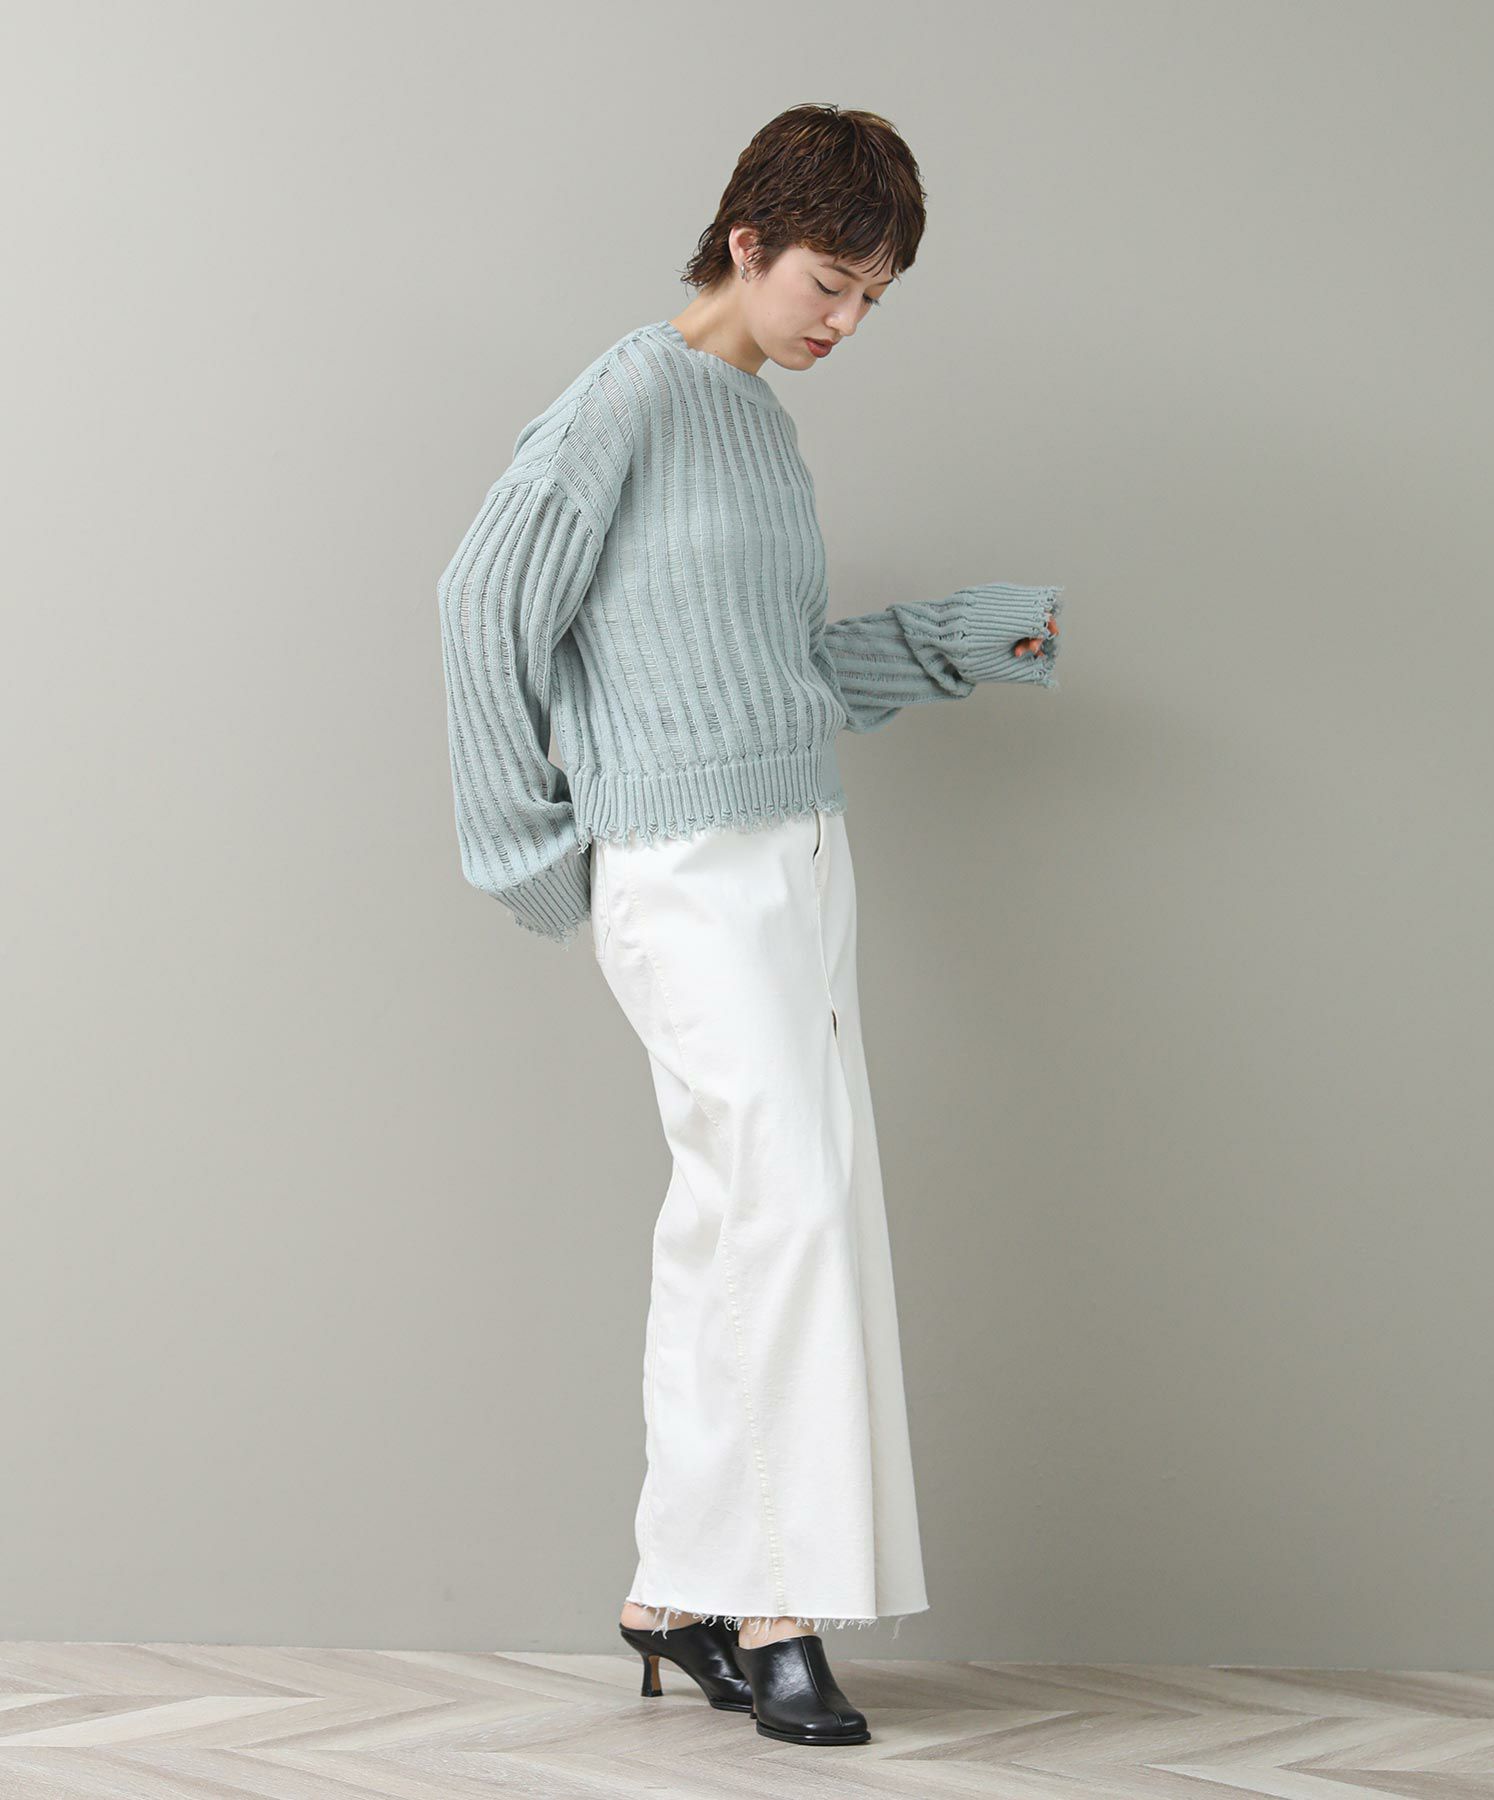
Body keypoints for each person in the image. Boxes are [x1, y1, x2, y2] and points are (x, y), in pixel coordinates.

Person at [435, 102, 1063, 1748]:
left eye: (872, 299)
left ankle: (677, 1590)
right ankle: (776, 1607)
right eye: (828, 284)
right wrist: (525, 844)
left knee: (750, 1218)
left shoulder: (760, 426)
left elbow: (769, 677)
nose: (844, 322)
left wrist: (960, 642)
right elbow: (479, 601)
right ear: (747, 242)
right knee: (784, 1203)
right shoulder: (625, 400)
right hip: (685, 871)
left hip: (798, 853)